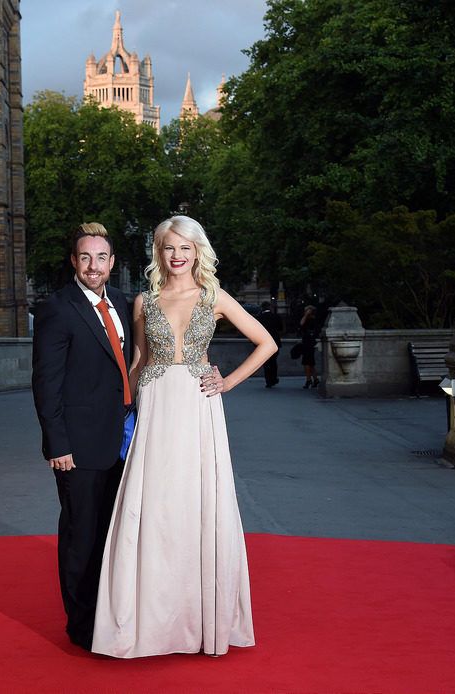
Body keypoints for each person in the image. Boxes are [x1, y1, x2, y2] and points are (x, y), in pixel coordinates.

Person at [91, 215, 277, 658]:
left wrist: (227, 383)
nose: (177, 256)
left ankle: (199, 621)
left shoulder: (214, 296)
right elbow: (138, 361)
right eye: (169, 248)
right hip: (155, 404)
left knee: (198, 504)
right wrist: (114, 411)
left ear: (197, 252)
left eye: (185, 248)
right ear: (159, 251)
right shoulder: (143, 301)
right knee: (154, 507)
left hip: (197, 405)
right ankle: (149, 623)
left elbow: (266, 342)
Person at [31, 223, 133, 650]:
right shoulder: (58, 308)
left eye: (101, 257)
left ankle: (110, 618)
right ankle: (82, 628)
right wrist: (58, 446)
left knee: (113, 535)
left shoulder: (123, 304)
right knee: (81, 537)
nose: (94, 266)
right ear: (74, 261)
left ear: (112, 262)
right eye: (85, 257)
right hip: (78, 448)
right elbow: (46, 383)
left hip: (122, 441)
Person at [256, 301, 282, 387]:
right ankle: (273, 378)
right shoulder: (275, 316)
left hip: (262, 342)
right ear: (270, 307)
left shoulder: (259, 317)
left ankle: (268, 381)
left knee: (266, 362)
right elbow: (280, 328)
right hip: (274, 341)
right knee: (273, 362)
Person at [299, 305, 319, 388]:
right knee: (310, 363)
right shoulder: (311, 319)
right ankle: (315, 379)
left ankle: (308, 380)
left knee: (306, 362)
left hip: (308, 342)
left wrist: (306, 315)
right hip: (308, 342)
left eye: (306, 311)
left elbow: (301, 324)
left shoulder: (311, 320)